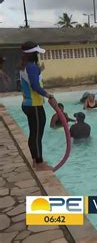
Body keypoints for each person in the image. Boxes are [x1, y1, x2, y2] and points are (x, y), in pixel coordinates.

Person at [19, 41, 56, 170]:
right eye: (37, 53)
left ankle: (35, 161)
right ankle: (39, 163)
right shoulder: (31, 67)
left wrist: (39, 71)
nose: (38, 55)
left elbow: (29, 81)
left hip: (27, 104)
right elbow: (35, 86)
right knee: (37, 135)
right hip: (34, 105)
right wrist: (48, 95)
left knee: (33, 133)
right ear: (33, 54)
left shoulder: (24, 66)